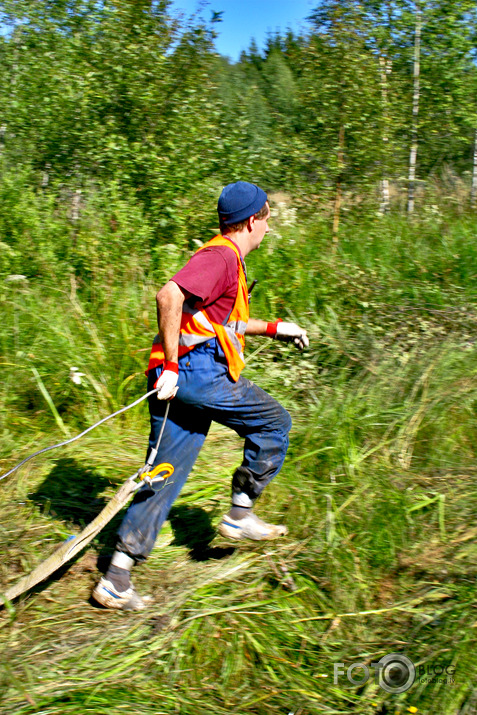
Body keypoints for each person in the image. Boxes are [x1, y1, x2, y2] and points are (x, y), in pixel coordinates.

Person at [92, 181, 309, 610]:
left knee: (165, 474)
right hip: (193, 372)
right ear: (252, 221)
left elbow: (216, 322)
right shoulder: (221, 258)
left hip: (179, 376)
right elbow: (168, 294)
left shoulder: (227, 261)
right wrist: (173, 366)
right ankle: (240, 514)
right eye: (267, 218)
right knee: (274, 423)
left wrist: (274, 327)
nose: (269, 227)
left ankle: (116, 577)